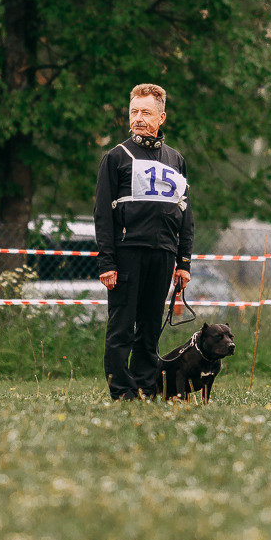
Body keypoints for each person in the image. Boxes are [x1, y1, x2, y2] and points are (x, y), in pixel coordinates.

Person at [94, 84, 194, 400]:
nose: (138, 118)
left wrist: (184, 261)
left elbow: (186, 213)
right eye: (134, 111)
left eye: (146, 112)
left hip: (163, 253)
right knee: (122, 328)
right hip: (126, 253)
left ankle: (146, 387)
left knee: (150, 329)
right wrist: (107, 261)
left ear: (161, 117)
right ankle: (122, 391)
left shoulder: (176, 160)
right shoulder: (115, 157)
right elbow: (102, 214)